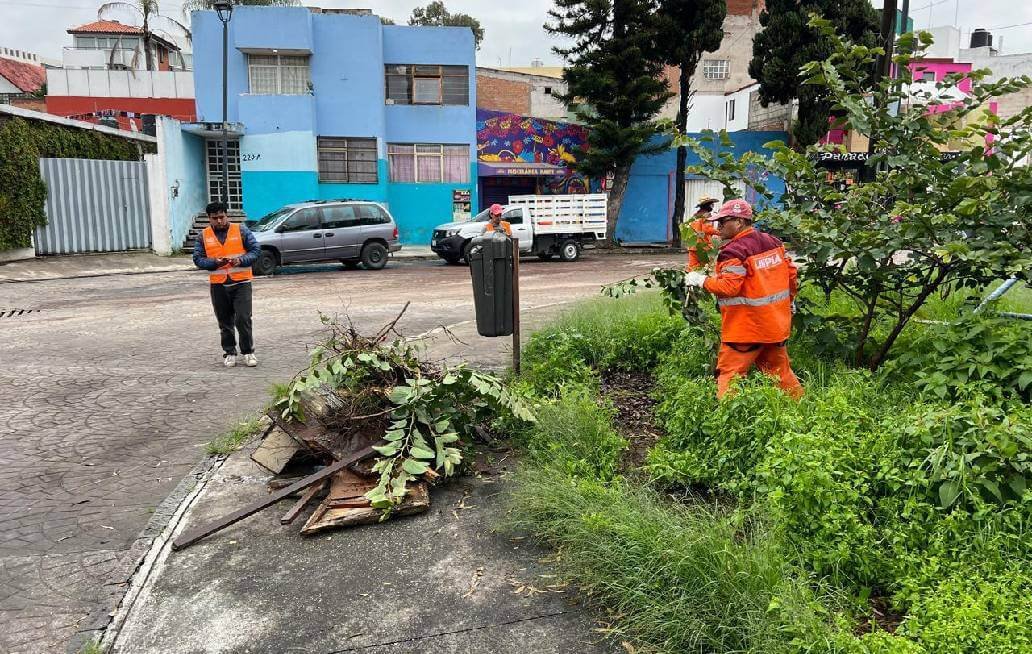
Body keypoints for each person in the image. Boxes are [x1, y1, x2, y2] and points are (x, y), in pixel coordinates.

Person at [685, 199, 803, 399]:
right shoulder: (773, 242)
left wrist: (701, 280)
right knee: (780, 372)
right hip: (775, 325)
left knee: (730, 375)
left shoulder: (733, 252)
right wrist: (789, 300)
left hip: (746, 329)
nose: (718, 226)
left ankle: (727, 422)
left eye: (723, 221)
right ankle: (802, 410)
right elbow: (791, 274)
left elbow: (728, 287)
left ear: (739, 222)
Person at [193, 201, 261, 368]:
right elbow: (198, 259)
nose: (219, 221)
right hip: (218, 285)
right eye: (215, 218)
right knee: (224, 321)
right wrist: (214, 263)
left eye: (222, 217)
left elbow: (255, 250)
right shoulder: (203, 236)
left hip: (242, 282)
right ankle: (229, 352)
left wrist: (240, 260)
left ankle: (248, 352)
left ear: (227, 215)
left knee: (243, 318)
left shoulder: (241, 230)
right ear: (209, 218)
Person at [686, 196, 720, 271]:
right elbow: (707, 229)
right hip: (702, 246)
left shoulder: (695, 215)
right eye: (712, 204)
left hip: (693, 245)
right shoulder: (706, 215)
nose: (713, 206)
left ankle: (689, 281)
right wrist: (720, 233)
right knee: (705, 268)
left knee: (693, 267)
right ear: (707, 205)